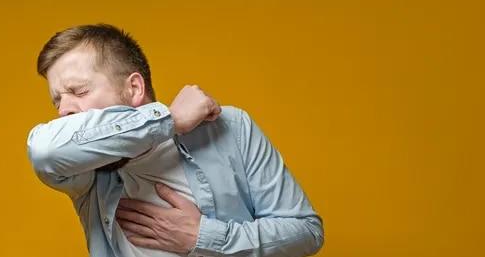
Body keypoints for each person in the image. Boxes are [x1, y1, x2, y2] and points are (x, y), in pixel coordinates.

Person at [26, 24, 324, 257]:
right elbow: (44, 149)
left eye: (78, 92)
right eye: (57, 101)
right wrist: (170, 120)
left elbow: (305, 232)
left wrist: (201, 237)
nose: (64, 110)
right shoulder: (84, 172)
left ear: (134, 89)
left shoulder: (228, 127)